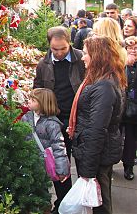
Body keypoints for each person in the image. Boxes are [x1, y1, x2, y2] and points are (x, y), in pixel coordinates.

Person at [68, 35, 126, 214]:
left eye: (86, 53)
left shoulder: (103, 86)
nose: (83, 57)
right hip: (93, 151)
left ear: (98, 56)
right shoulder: (101, 80)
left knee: (99, 203)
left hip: (95, 155)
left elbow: (97, 129)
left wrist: (88, 170)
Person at [34, 26, 86, 212]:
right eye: (55, 49)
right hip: (55, 121)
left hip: (78, 119)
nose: (59, 53)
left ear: (69, 43)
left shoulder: (81, 59)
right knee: (59, 164)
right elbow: (38, 88)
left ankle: (82, 201)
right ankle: (63, 202)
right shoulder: (44, 64)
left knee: (82, 162)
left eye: (63, 49)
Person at [21, 88, 70, 210]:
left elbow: (59, 147)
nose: (29, 102)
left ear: (42, 103)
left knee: (44, 189)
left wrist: (62, 169)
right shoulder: (27, 117)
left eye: (33, 100)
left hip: (43, 163)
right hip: (30, 161)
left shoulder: (52, 124)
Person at [121, 36, 137, 180]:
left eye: (136, 48)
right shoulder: (119, 63)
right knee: (115, 135)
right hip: (120, 106)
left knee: (131, 139)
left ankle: (128, 165)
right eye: (131, 48)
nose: (133, 50)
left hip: (134, 109)